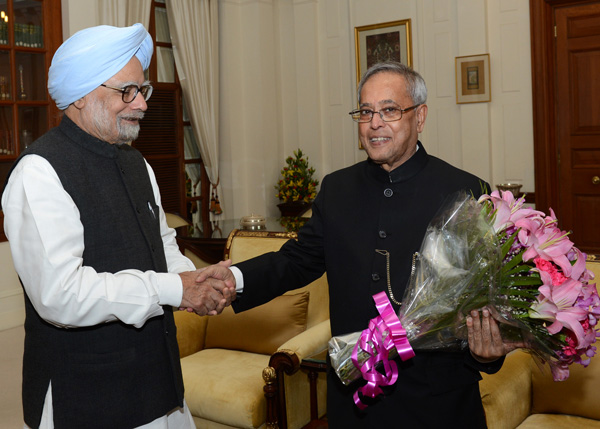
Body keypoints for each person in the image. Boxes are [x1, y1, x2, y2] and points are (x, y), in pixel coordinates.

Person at [200, 61, 520, 427]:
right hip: (355, 400)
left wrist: (487, 355)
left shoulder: (466, 192)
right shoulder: (336, 189)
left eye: (390, 110)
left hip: (438, 404)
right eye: (365, 111)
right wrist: (232, 280)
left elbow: (490, 298)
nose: (374, 123)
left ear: (420, 117)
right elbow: (297, 260)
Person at [1, 24, 234, 429]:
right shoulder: (38, 173)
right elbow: (62, 296)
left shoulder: (137, 163)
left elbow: (162, 246)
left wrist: (194, 281)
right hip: (86, 395)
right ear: (80, 96)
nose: (142, 104)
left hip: (159, 384)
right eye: (127, 91)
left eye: (142, 90)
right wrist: (171, 289)